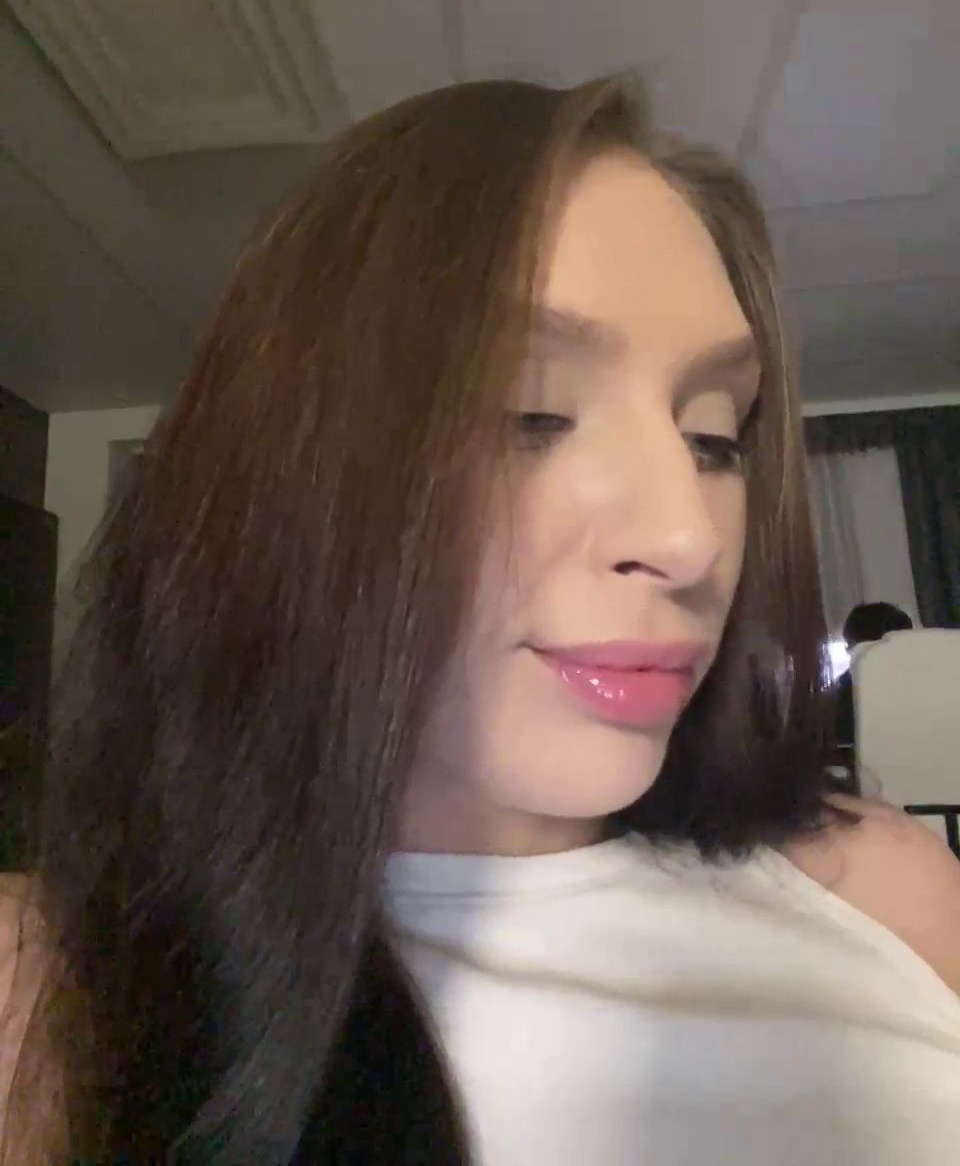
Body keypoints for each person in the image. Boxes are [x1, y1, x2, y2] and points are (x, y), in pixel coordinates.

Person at [1, 77, 959, 1165]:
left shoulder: (880, 893)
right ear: (289, 473)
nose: (689, 537)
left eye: (713, 438)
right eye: (530, 412)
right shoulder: (54, 1000)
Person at [833, 601, 916, 759]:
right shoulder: (928, 680)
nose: (847, 650)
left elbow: (845, 742)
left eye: (849, 644)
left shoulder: (852, 686)